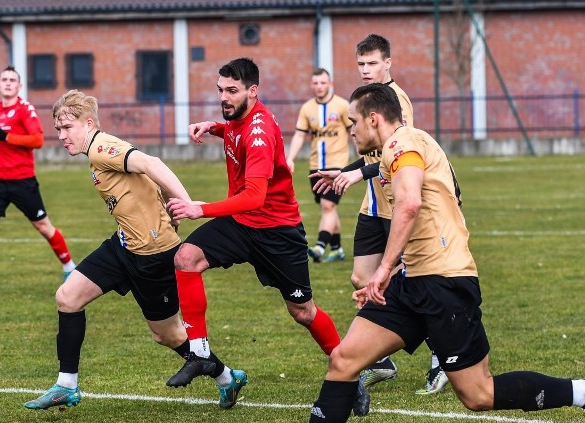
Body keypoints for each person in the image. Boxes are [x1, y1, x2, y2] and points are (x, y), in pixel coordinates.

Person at [249, 83, 585, 423]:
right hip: (412, 282)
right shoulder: (399, 147)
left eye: (354, 122)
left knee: (478, 394)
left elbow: (408, 203)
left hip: (445, 282)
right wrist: (390, 271)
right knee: (344, 359)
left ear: (374, 118)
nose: (350, 130)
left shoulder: (403, 144)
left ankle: (581, 392)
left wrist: (382, 268)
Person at [24, 89, 245, 411]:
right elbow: (142, 182)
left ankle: (227, 377)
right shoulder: (96, 152)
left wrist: (184, 203)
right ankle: (66, 385)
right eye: (57, 129)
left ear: (88, 124)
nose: (61, 136)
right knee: (67, 297)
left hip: (154, 255)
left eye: (66, 128)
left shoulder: (102, 148)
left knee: (168, 335)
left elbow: (150, 162)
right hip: (124, 245)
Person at [165, 58, 341, 397]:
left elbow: (255, 197)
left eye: (232, 90)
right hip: (241, 225)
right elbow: (234, 129)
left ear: (253, 91)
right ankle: (199, 351)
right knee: (186, 258)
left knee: (303, 311)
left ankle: (347, 369)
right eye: (220, 90)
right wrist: (213, 127)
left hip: (277, 232)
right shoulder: (238, 115)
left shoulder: (258, 133)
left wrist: (199, 209)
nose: (224, 97)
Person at [313, 34, 446, 400]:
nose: (366, 70)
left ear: (388, 62)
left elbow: (398, 152)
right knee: (361, 276)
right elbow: (372, 154)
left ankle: (439, 357)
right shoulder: (364, 100)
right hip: (370, 208)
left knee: (412, 284)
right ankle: (383, 358)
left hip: (393, 207)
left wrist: (355, 174)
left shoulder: (395, 101)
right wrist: (347, 170)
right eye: (361, 65)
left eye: (372, 63)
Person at [0, 66, 76, 297]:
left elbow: (37, 140)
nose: (8, 83)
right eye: (4, 80)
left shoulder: (25, 109)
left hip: (22, 181)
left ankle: (70, 267)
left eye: (13, 80)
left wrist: (4, 137)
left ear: (19, 86)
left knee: (44, 227)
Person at [286, 68, 352, 264]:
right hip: (316, 166)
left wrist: (364, 156)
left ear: (330, 84)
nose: (319, 86)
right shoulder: (307, 108)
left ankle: (320, 246)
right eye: (315, 83)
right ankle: (338, 249)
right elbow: (299, 135)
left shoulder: (342, 105)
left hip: (338, 166)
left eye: (323, 83)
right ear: (311, 85)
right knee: (328, 209)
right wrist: (290, 158)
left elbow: (353, 132)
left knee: (328, 205)